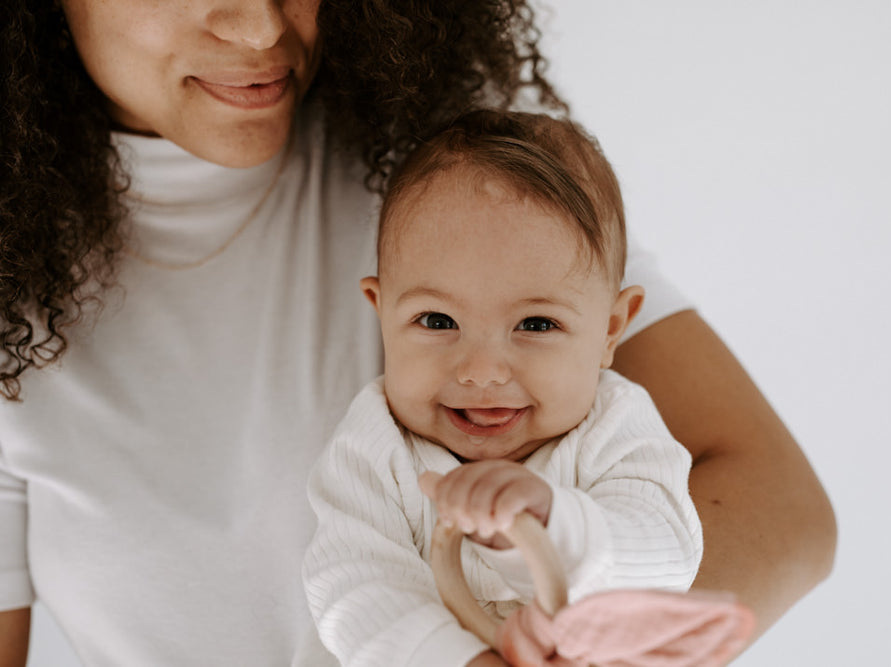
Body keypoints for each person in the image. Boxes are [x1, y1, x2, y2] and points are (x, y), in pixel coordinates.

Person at [0, 2, 836, 666]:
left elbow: (783, 512)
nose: (261, 28)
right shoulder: (14, 292)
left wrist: (598, 644)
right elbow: (356, 582)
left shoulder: (452, 180)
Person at [303, 110, 705, 666]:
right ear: (381, 313)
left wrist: (549, 524)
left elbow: (668, 552)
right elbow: (354, 587)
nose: (482, 372)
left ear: (612, 328)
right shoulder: (373, 448)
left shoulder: (616, 426)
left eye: (536, 325)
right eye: (438, 321)